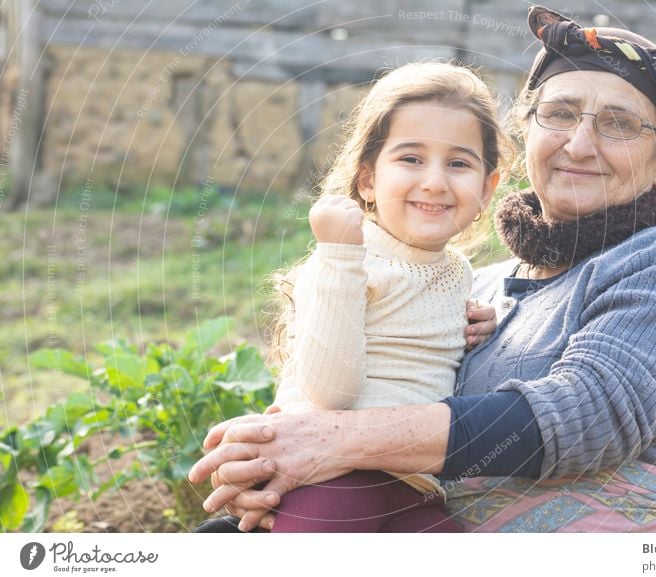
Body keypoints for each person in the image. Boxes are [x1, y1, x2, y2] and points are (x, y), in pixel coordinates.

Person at [189, 6, 656, 533]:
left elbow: (586, 416)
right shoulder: (472, 288)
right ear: (526, 131)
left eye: (620, 124)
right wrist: (268, 458)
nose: (580, 145)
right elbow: (372, 388)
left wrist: (333, 441)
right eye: (558, 114)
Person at [196, 62, 508, 532]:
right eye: (411, 159)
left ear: (487, 189)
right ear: (367, 180)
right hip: (326, 476)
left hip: (414, 485)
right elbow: (330, 391)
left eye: (459, 163)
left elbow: (414, 349)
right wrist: (339, 257)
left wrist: (477, 326)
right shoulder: (343, 260)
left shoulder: (457, 273)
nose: (435, 182)